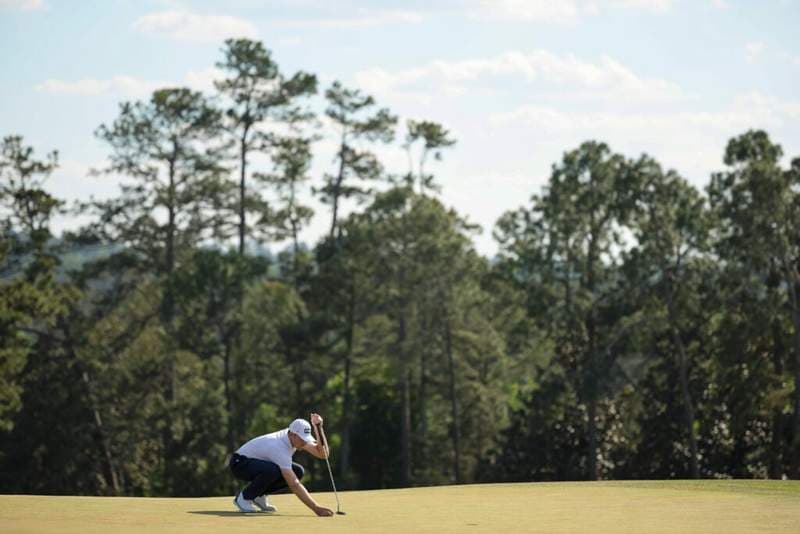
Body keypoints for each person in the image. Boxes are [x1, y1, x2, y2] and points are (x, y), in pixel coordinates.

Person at [229, 412, 334, 517]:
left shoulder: (295, 438)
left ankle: (258, 495)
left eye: (306, 439)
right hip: (240, 463)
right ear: (293, 435)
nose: (304, 443)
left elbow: (323, 454)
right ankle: (244, 498)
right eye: (302, 439)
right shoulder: (279, 447)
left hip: (256, 463)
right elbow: (294, 484)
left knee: (298, 471)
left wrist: (318, 428)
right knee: (273, 470)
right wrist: (316, 508)